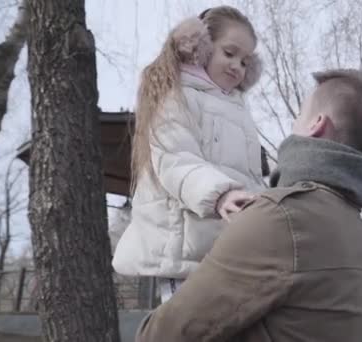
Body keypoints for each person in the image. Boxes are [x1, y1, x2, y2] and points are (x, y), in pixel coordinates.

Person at [135, 68, 362, 342]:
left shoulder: (282, 218)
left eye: (299, 116)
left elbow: (160, 336)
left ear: (316, 124)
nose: (294, 125)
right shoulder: (359, 232)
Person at [112, 6, 264, 302]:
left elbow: (251, 176)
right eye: (229, 53)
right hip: (183, 249)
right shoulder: (176, 95)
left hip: (224, 248)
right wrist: (220, 194)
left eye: (245, 61)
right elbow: (175, 159)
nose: (237, 66)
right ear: (200, 48)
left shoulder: (240, 112)